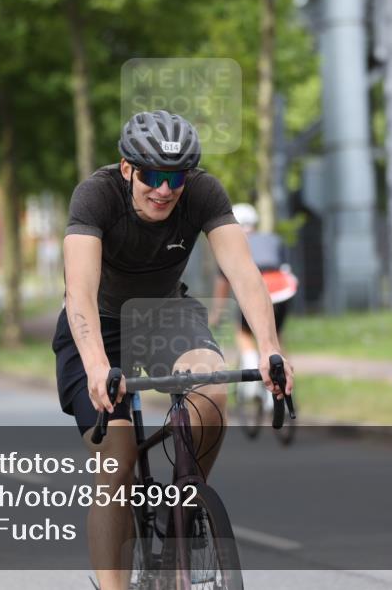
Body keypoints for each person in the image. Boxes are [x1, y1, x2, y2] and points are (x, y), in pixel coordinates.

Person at [52, 109, 294, 590]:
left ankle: (182, 510)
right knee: (116, 458)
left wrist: (271, 349)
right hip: (97, 326)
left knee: (212, 392)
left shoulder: (203, 193)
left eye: (176, 176)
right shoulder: (95, 196)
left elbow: (244, 273)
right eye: (152, 175)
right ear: (127, 168)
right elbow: (79, 291)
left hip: (166, 313)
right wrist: (99, 367)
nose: (164, 189)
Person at [210, 203, 298, 410]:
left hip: (260, 287)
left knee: (242, 331)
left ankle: (250, 366)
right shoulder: (273, 239)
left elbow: (223, 284)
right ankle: (279, 391)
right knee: (275, 335)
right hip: (284, 289)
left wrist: (216, 313)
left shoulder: (233, 245)